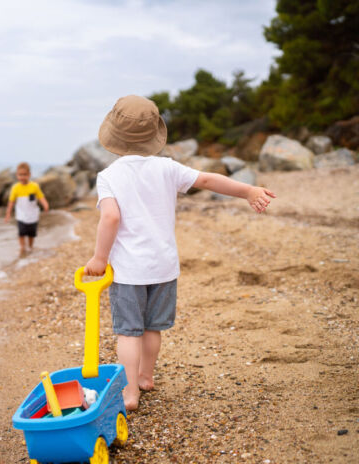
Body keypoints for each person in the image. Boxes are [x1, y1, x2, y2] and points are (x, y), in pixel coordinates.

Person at [83, 95, 276, 411]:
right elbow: (208, 180)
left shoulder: (109, 176)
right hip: (163, 267)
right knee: (152, 327)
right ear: (154, 137)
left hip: (130, 271)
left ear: (113, 137)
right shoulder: (167, 167)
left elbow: (111, 217)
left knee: (128, 332)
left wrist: (99, 259)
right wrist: (248, 190)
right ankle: (146, 376)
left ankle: (130, 393)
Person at [4, 162, 50, 255]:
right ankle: (22, 247)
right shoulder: (15, 188)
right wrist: (8, 213)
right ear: (17, 175)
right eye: (20, 175)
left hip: (33, 214)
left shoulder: (34, 186)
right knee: (21, 233)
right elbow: (11, 202)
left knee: (31, 233)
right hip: (21, 214)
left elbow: (41, 197)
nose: (22, 177)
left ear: (29, 174)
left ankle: (30, 246)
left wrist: (45, 205)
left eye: (25, 175)